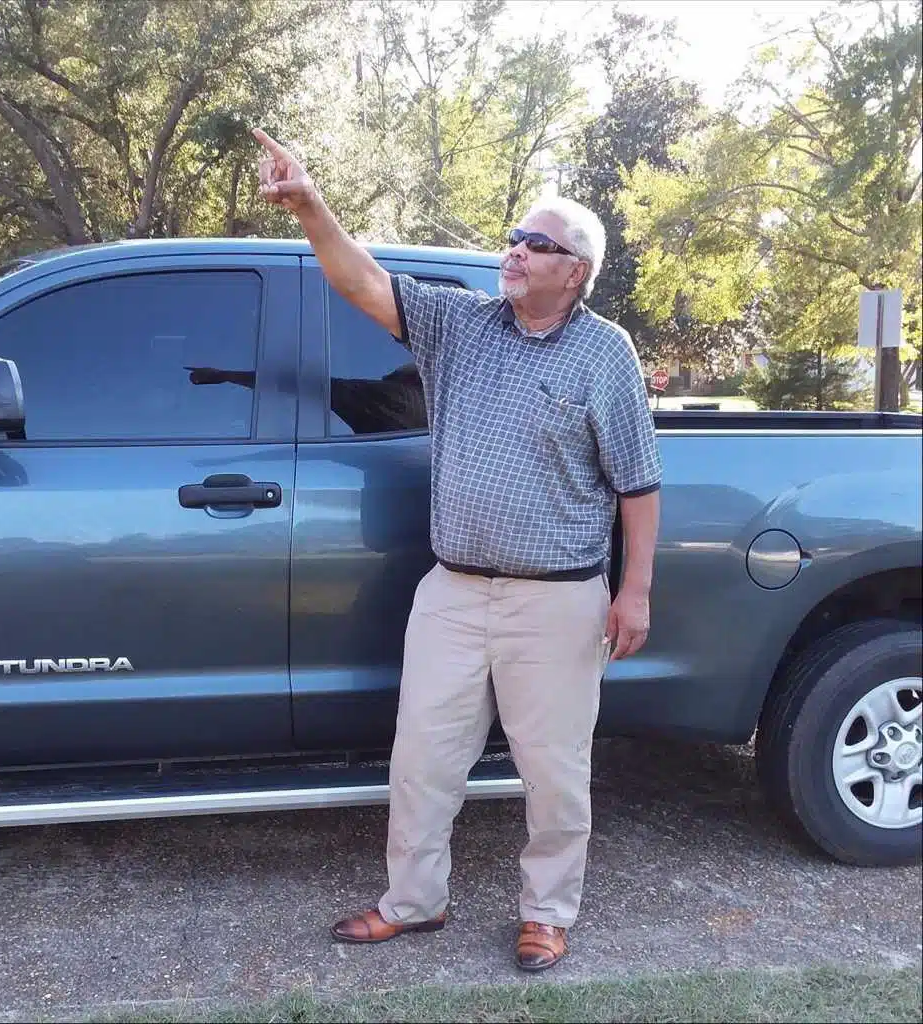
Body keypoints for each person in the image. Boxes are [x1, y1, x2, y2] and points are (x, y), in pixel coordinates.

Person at [254, 128, 662, 972]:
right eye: (513, 237)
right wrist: (311, 207)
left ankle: (547, 912)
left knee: (554, 773)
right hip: (453, 592)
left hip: (558, 599)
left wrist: (636, 592)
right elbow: (362, 282)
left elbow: (638, 483)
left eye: (536, 244)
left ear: (575, 270)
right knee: (423, 759)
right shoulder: (459, 324)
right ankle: (414, 901)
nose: (514, 251)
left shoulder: (606, 353)